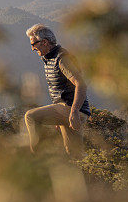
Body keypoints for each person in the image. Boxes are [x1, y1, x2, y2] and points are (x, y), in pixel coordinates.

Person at [24, 24, 91, 157]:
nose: (32, 48)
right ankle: (91, 177)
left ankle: (37, 159)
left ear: (44, 42)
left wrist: (73, 112)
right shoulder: (50, 58)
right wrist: (57, 116)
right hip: (68, 110)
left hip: (71, 109)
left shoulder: (62, 59)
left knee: (31, 117)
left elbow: (81, 85)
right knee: (75, 154)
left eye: (34, 44)